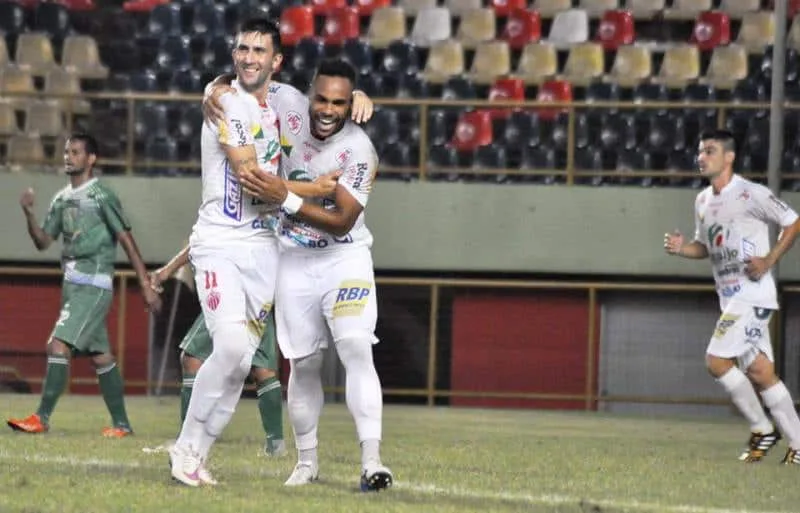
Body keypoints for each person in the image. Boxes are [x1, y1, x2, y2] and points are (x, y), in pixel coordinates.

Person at [230, 57, 392, 490]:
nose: (327, 109)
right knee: (303, 364)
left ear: (348, 104)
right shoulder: (287, 102)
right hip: (294, 262)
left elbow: (341, 220)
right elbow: (245, 78)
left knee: (357, 347)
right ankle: (307, 462)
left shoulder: (360, 150)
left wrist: (285, 198)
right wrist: (214, 90)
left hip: (345, 258)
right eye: (321, 98)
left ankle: (372, 461)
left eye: (339, 102)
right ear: (309, 93)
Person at [151, 163, 341, 458]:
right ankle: (274, 444)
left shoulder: (271, 186)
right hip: (260, 283)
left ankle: (187, 442)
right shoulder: (271, 185)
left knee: (198, 358)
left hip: (250, 283)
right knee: (260, 367)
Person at [6, 132, 162, 437]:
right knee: (101, 356)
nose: (68, 157)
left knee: (57, 344)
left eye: (76, 152)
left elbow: (126, 239)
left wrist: (145, 283)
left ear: (91, 159)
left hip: (94, 285)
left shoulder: (102, 195)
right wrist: (28, 213)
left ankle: (42, 418)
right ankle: (122, 425)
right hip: (72, 288)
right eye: (66, 152)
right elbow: (42, 242)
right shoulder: (61, 199)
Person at [664, 129, 800, 465]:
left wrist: (769, 260)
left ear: (729, 157)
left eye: (709, 151)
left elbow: (793, 222)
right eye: (700, 151)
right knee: (761, 373)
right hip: (731, 298)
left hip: (752, 294)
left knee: (716, 360)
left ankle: (762, 428)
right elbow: (705, 248)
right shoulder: (702, 201)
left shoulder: (750, 193)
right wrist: (683, 250)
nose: (701, 157)